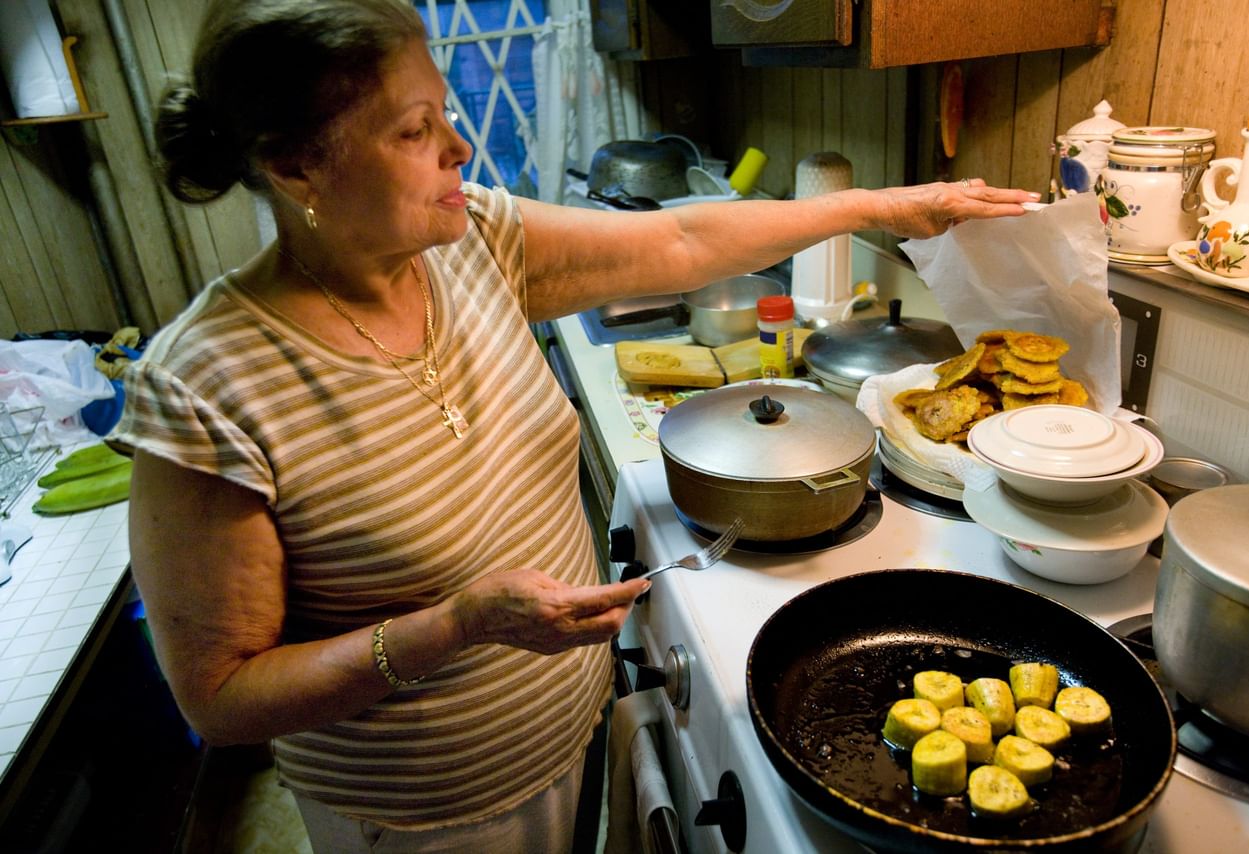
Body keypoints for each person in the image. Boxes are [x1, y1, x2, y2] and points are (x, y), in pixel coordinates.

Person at [107, 1, 1039, 851]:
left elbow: (681, 240)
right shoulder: (208, 384)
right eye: (414, 130)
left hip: (570, 742)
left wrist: (885, 208)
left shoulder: (470, 241)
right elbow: (222, 696)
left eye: (445, 113)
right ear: (295, 165)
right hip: (422, 819)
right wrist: (459, 626)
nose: (458, 148)